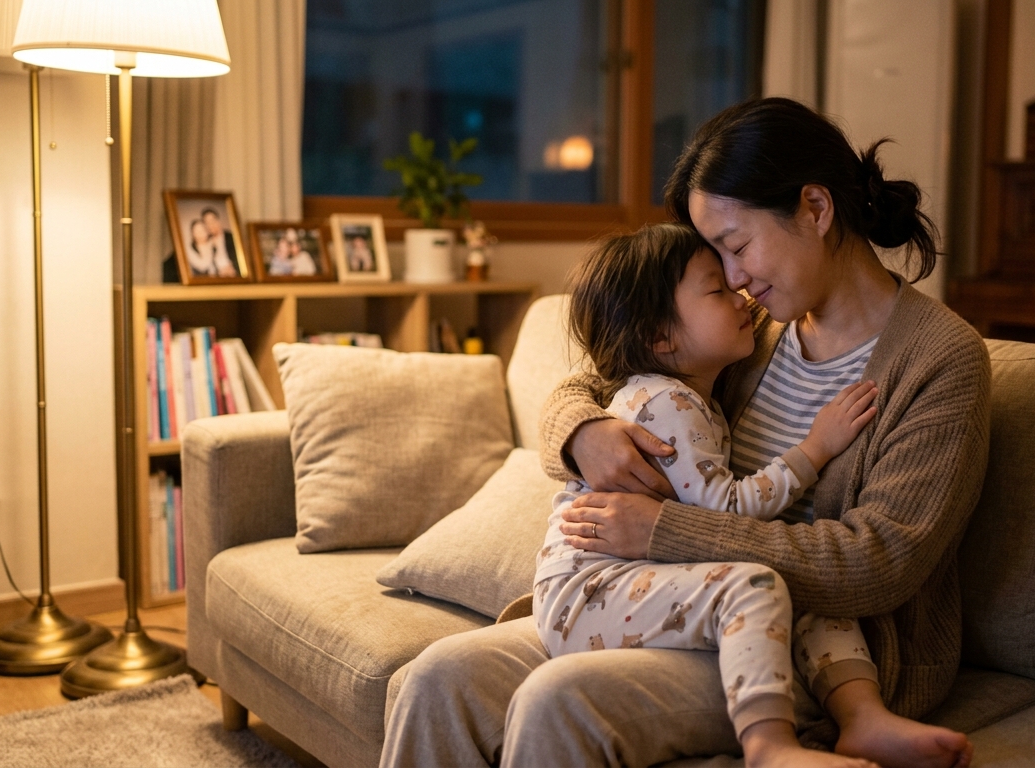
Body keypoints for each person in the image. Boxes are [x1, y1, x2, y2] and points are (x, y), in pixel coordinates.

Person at [382, 97, 990, 768]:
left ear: (815, 209)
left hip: (809, 642)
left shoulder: (939, 360)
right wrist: (584, 433)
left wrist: (662, 531)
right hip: (681, 597)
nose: (733, 278)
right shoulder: (753, 328)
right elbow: (600, 377)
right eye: (719, 258)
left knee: (560, 700)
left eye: (737, 246)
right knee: (437, 680)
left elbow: (879, 565)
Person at [534, 223, 881, 768]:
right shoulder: (667, 402)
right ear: (660, 339)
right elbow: (726, 510)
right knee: (755, 585)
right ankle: (769, 746)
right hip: (591, 593)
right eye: (718, 289)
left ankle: (866, 718)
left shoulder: (690, 388)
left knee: (809, 591)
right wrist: (815, 448)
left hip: (616, 587)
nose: (742, 293)